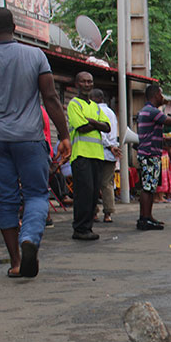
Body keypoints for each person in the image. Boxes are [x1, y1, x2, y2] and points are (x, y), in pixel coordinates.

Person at [0, 7, 71, 277]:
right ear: (15, 27)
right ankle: (30, 237)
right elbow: (51, 98)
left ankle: (17, 262)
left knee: (5, 199)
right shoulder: (35, 56)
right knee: (35, 194)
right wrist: (64, 135)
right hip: (30, 138)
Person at [66, 72, 110, 240]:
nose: (87, 84)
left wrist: (92, 121)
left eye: (90, 81)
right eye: (83, 81)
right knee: (83, 193)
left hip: (97, 156)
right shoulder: (74, 104)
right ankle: (80, 228)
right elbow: (82, 127)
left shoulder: (95, 106)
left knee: (93, 195)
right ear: (77, 84)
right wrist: (95, 123)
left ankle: (87, 228)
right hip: (81, 155)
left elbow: (107, 127)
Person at [136, 83, 171, 230]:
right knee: (148, 188)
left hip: (148, 152)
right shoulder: (152, 111)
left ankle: (147, 217)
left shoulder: (145, 111)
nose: (163, 98)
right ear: (155, 95)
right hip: (149, 153)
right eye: (161, 94)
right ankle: (144, 219)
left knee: (150, 187)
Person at [89, 89, 119, 224]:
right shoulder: (112, 113)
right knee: (107, 183)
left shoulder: (95, 111)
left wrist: (108, 146)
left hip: (99, 151)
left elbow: (101, 133)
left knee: (94, 183)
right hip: (111, 153)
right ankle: (108, 214)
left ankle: (94, 213)